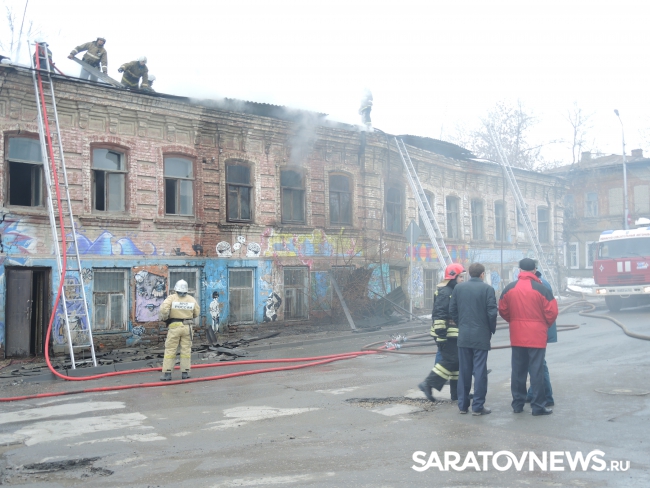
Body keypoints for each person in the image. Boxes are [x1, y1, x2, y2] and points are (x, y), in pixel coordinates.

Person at [498, 258, 558, 416]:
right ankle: (538, 406)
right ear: (534, 270)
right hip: (537, 336)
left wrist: (514, 321)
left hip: (517, 335)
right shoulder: (541, 289)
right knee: (536, 371)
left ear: (519, 270)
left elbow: (502, 309)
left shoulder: (510, 288)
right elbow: (552, 312)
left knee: (518, 371)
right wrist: (544, 324)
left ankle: (517, 404)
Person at [450, 262, 497, 416]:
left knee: (464, 371)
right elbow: (492, 313)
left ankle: (463, 406)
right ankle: (477, 406)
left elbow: (452, 310)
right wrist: (490, 329)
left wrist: (461, 324)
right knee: (480, 371)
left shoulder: (458, 288)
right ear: (482, 274)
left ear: (470, 274)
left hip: (464, 335)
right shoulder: (488, 289)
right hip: (481, 336)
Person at [418, 263, 464, 402]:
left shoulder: (452, 291)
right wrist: (441, 336)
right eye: (460, 277)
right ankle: (428, 384)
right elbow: (439, 314)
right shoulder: (445, 292)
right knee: (451, 360)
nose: (462, 279)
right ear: (453, 277)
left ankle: (457, 394)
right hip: (446, 334)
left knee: (457, 363)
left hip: (453, 333)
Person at [526, 264, 557, 407]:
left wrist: (543, 327)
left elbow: (550, 311)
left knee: (538, 364)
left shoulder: (540, 285)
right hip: (539, 330)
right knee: (536, 363)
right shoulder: (541, 283)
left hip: (538, 331)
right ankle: (533, 392)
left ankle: (547, 396)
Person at [159, 279, 200, 381]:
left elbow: (163, 310)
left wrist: (165, 318)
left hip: (174, 326)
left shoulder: (171, 298)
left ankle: (167, 374)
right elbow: (197, 313)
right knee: (186, 350)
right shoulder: (191, 299)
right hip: (187, 327)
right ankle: (185, 373)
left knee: (170, 349)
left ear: (176, 289)